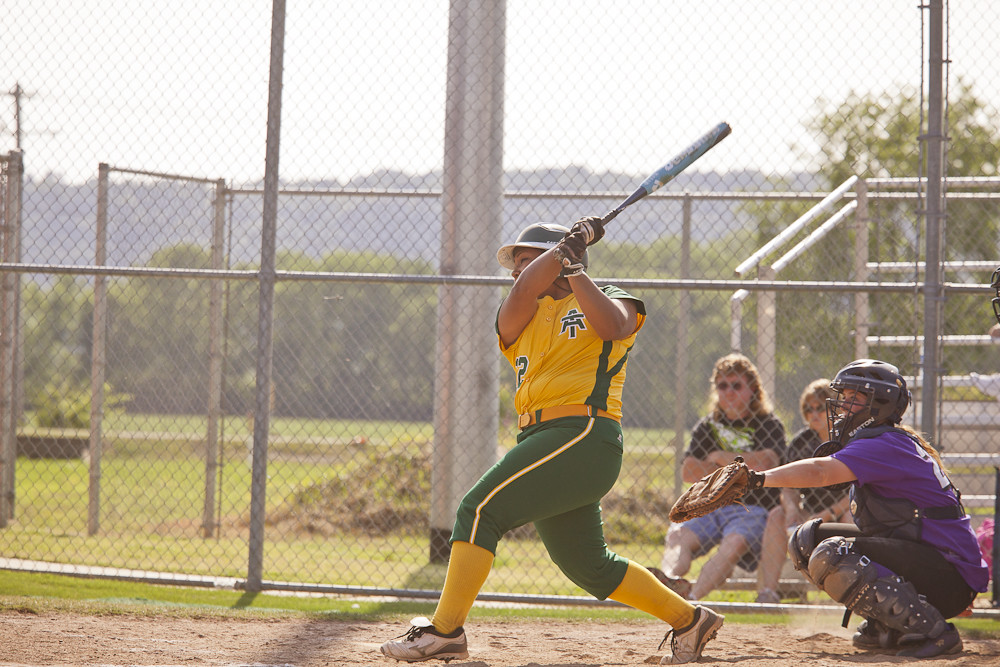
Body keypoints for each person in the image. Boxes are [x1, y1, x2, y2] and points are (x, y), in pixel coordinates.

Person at [380, 219, 723, 665]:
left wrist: (574, 267)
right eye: (519, 266)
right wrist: (559, 253)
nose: (518, 274)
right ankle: (690, 619)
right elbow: (522, 294)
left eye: (528, 262)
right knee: (589, 566)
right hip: (542, 438)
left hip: (584, 434)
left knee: (479, 509)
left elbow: (613, 326)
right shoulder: (521, 313)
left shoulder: (613, 297)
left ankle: (445, 631)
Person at [741, 359, 989, 658]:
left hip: (948, 576)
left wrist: (755, 479)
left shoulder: (884, 444)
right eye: (843, 398)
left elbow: (821, 473)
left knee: (834, 553)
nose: (842, 407)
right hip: (929, 562)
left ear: (880, 405)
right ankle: (890, 623)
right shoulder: (881, 440)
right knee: (807, 540)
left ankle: (933, 631)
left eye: (853, 399)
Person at [651, 353, 785, 601]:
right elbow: (688, 471)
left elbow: (765, 463)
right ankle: (668, 585)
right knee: (678, 535)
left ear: (753, 389)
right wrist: (739, 465)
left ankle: (691, 600)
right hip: (710, 505)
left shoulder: (768, 424)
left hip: (751, 508)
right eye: (722, 386)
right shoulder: (708, 425)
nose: (729, 392)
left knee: (733, 543)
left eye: (736, 385)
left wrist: (718, 456)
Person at [755, 379, 850, 603]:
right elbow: (787, 485)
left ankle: (845, 595)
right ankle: (768, 593)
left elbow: (858, 491)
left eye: (820, 407)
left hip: (841, 510)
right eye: (808, 408)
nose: (813, 413)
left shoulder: (849, 440)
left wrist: (826, 514)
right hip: (812, 512)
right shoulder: (802, 442)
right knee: (776, 515)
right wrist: (791, 509)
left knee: (850, 518)